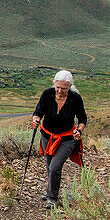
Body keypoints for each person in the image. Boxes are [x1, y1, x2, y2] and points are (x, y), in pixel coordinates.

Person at [31, 70, 86, 208]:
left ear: (70, 86)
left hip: (67, 137)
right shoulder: (47, 94)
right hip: (47, 135)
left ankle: (52, 198)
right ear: (54, 84)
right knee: (49, 166)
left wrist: (79, 130)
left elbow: (82, 118)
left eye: (64, 88)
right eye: (58, 87)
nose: (60, 91)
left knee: (55, 167)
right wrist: (36, 119)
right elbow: (38, 111)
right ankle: (50, 190)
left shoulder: (75, 98)